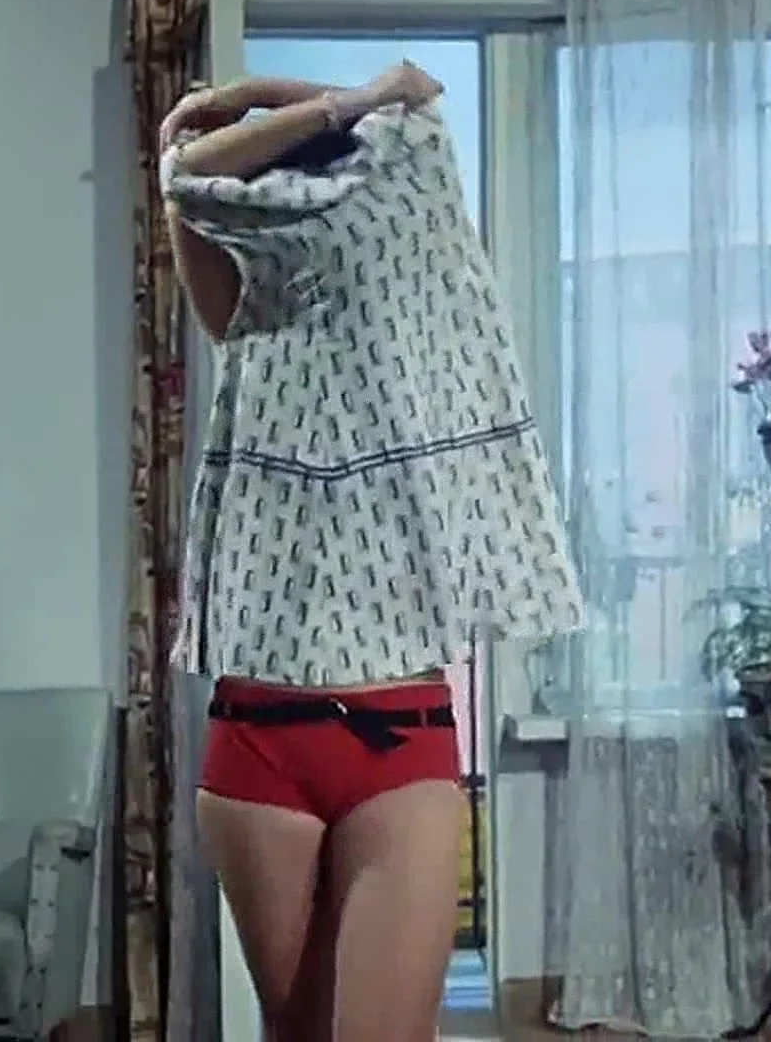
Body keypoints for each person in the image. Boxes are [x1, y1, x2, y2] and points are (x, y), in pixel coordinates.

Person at [158, 63, 585, 1042]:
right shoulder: (249, 325)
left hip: (399, 740)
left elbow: (416, 104)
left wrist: (308, 101)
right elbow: (184, 178)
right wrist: (270, 109)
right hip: (258, 736)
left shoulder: (427, 324)